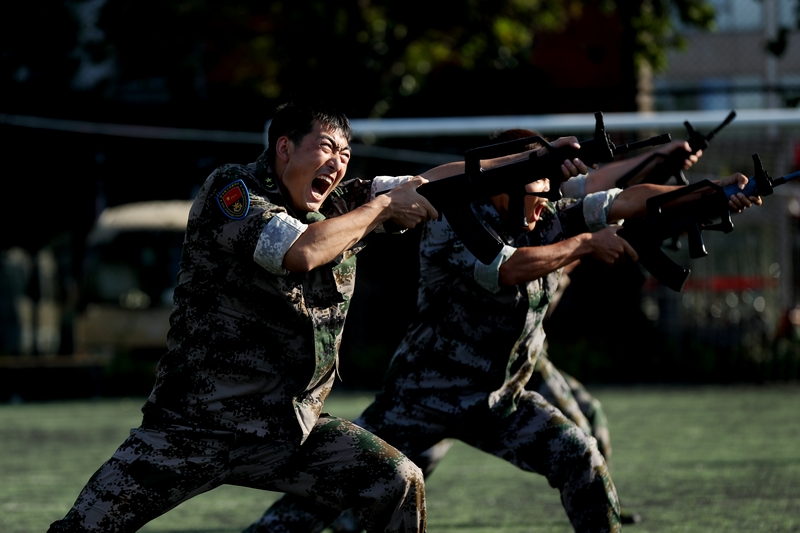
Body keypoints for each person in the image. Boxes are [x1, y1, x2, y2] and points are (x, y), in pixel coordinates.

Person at [47, 101, 588, 533]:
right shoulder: (233, 190)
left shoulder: (343, 204)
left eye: (346, 153)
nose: (338, 163)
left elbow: (429, 185)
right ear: (284, 148)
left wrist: (527, 163)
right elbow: (301, 251)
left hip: (285, 430)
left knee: (398, 480)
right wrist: (381, 208)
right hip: (193, 426)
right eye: (326, 147)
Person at [245, 131, 760, 533]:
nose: (545, 201)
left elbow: (623, 200)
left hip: (499, 400)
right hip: (422, 395)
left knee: (580, 458)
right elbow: (507, 268)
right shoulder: (454, 219)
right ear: (500, 189)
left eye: (548, 191)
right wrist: (584, 244)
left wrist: (709, 194)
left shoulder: (545, 209)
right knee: (331, 492)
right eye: (535, 190)